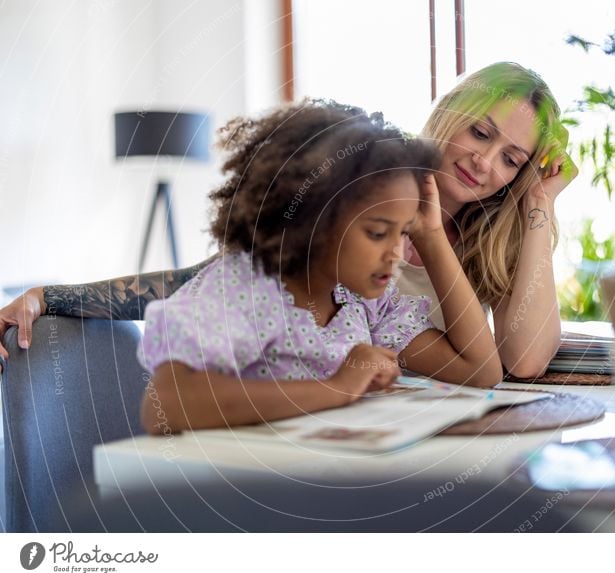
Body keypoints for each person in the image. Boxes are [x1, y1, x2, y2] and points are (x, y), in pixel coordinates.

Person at [0, 62, 575, 378]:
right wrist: (50, 296)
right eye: (480, 132)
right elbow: (207, 277)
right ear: (454, 112)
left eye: (511, 160)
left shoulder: (495, 232)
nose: (484, 161)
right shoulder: (363, 182)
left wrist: (539, 209)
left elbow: (520, 361)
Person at [136, 100, 500, 432]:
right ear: (314, 220)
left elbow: (481, 372)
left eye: (404, 232)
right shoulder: (248, 288)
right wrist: (337, 388)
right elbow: (165, 406)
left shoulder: (363, 301)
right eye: (377, 232)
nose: (395, 253)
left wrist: (431, 233)